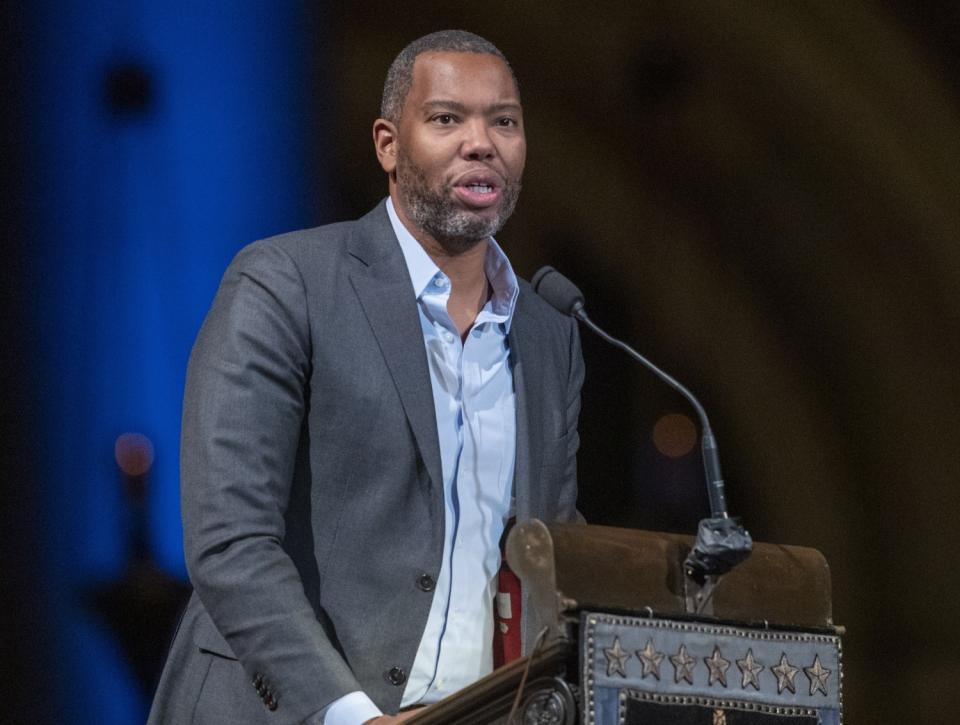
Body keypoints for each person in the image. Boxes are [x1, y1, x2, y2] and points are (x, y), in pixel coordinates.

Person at [148, 29, 583, 725]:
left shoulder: (550, 332)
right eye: (447, 119)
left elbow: (552, 557)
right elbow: (230, 540)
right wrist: (352, 715)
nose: (482, 142)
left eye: (503, 120)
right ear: (387, 143)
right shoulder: (286, 283)